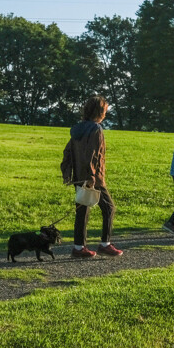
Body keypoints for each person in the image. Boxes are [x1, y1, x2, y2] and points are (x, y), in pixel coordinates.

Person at [61, 95, 123, 258]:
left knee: (82, 211)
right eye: (105, 110)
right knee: (109, 208)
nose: (106, 113)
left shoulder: (78, 129)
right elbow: (94, 154)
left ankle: (78, 247)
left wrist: (67, 172)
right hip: (94, 178)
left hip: (79, 177)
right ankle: (105, 244)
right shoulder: (96, 129)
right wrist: (92, 176)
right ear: (100, 111)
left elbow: (68, 151)